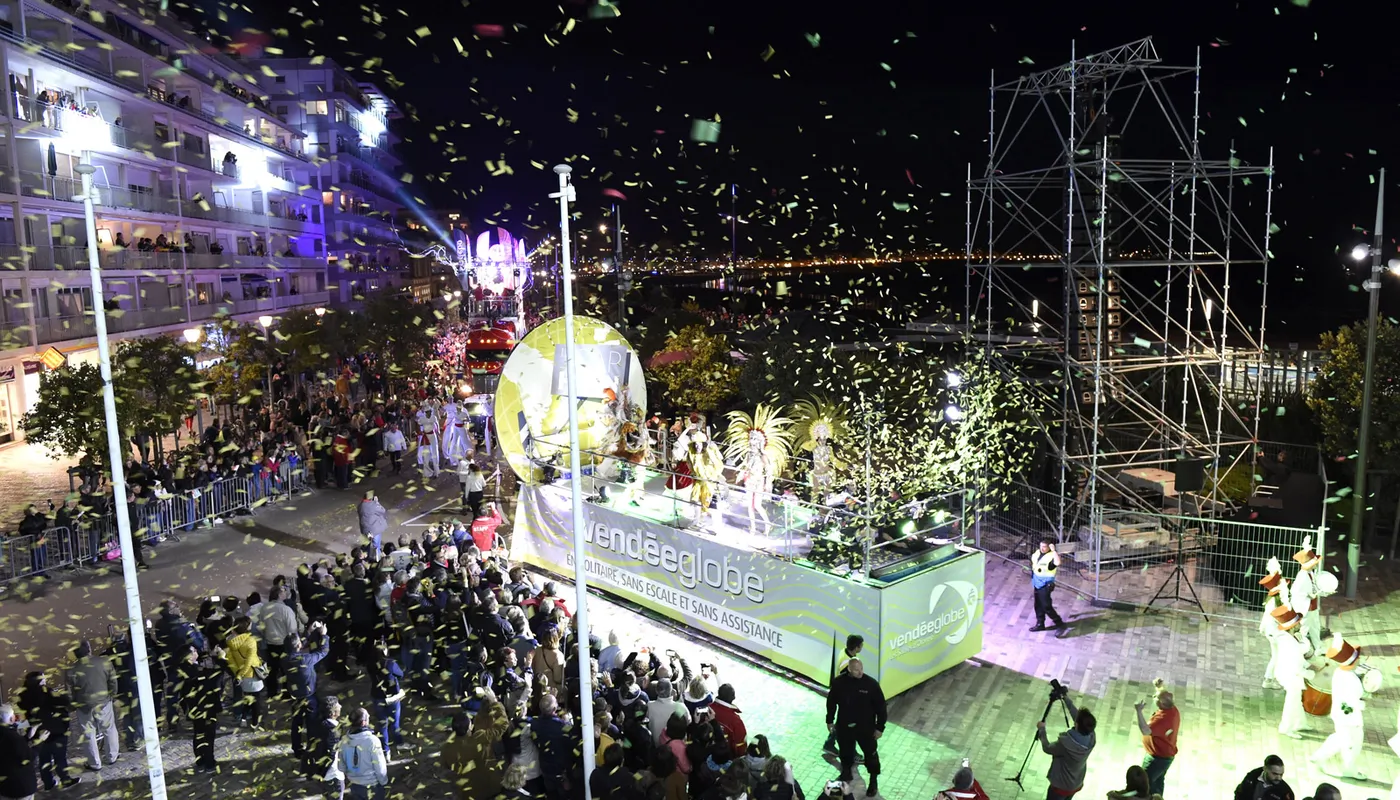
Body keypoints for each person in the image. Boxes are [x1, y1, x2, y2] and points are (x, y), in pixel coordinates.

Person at [825, 658, 886, 798]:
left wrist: (879, 728)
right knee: (845, 751)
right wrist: (829, 720)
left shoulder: (871, 685)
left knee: (870, 754)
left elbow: (881, 708)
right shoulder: (839, 683)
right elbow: (831, 702)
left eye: (861, 669)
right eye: (857, 670)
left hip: (866, 728)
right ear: (849, 670)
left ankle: (873, 781)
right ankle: (846, 771)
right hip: (844, 726)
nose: (860, 672)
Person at [1311, 635, 1367, 780]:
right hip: (1349, 717)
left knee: (1341, 739)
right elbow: (1353, 699)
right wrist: (1362, 702)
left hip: (1341, 714)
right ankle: (1349, 770)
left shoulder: (1341, 672)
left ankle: (1319, 757)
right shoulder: (1349, 678)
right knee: (1351, 743)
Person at [15, 672, 77, 791]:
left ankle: (48, 783)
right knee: (59, 757)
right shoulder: (47, 692)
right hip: (56, 729)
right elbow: (64, 701)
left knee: (44, 759)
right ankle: (65, 779)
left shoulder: (23, 695)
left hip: (36, 730)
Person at [66, 640, 120, 771]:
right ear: (89, 649)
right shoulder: (104, 662)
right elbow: (113, 681)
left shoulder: (71, 670)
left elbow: (69, 693)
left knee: (88, 734)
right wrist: (112, 695)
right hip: (103, 702)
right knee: (109, 729)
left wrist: (73, 706)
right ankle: (112, 756)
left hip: (83, 706)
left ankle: (95, 763)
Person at [1035, 689, 1095, 800]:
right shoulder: (1091, 735)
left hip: (1061, 786)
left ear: (1076, 725)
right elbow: (1078, 717)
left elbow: (1047, 748)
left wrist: (1042, 730)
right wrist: (1065, 698)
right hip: (1076, 782)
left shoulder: (1066, 744)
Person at [181, 646, 224, 774]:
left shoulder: (182, 669)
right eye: (193, 651)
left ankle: (200, 762)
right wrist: (220, 658)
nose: (196, 652)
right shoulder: (199, 672)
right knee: (208, 736)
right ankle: (209, 763)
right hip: (206, 707)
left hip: (194, 708)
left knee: (198, 734)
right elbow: (216, 676)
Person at [1270, 605, 1312, 739]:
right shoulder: (1290, 643)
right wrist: (1309, 673)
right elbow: (1296, 664)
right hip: (1290, 675)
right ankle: (1286, 727)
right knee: (1292, 701)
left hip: (1287, 672)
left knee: (1296, 699)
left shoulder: (1287, 637)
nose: (1300, 624)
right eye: (1297, 623)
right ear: (1292, 626)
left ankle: (1300, 723)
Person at [1134, 679, 1178, 796]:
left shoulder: (1161, 721)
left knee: (1144, 782)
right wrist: (1159, 687)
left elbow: (1145, 730)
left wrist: (1139, 711)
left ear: (1162, 704)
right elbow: (1165, 696)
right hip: (1165, 756)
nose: (1153, 697)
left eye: (1155, 698)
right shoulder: (1172, 709)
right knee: (1157, 781)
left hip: (1157, 759)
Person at [822, 635, 864, 757]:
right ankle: (851, 752)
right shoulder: (847, 664)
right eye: (861, 645)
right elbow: (848, 681)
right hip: (846, 698)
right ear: (856, 647)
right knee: (850, 725)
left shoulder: (844, 652)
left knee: (843, 722)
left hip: (845, 696)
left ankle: (829, 743)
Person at [340, 707, 389, 800]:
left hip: (354, 786)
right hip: (373, 786)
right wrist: (384, 782)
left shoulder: (344, 741)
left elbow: (341, 766)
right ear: (363, 722)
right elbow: (380, 767)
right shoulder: (372, 741)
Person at [0, 704, 44, 800]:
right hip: (20, 786)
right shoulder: (13, 737)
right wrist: (39, 742)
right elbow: (29, 757)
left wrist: (27, 737)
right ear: (11, 719)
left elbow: (11, 750)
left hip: (4, 786)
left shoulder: (5, 734)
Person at [1258, 559, 1289, 690]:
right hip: (1274, 632)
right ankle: (1270, 679)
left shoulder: (1272, 600)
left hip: (1271, 631)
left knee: (1276, 655)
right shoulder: (1275, 604)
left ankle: (1270, 678)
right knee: (1277, 656)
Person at [1030, 539, 1065, 631]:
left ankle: (1059, 622)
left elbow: (1058, 563)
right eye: (1041, 546)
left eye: (1044, 547)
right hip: (1037, 583)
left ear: (1049, 547)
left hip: (1045, 585)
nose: (1042, 548)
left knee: (1046, 606)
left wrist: (1054, 551)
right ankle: (1040, 623)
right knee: (1038, 604)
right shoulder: (1037, 553)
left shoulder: (1051, 556)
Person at [646, 679, 690, 746]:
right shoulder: (680, 707)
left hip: (656, 746)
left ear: (656, 691)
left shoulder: (649, 706)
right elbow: (688, 722)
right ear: (671, 691)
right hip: (677, 747)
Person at [711, 684, 748, 758]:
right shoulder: (735, 720)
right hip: (726, 757)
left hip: (709, 751)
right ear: (733, 698)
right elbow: (740, 745)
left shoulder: (708, 708)